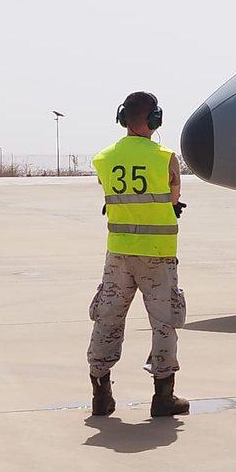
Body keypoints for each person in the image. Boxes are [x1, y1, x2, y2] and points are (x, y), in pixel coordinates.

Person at [87, 91, 189, 418]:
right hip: (157, 255)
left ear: (123, 119)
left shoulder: (103, 158)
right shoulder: (165, 157)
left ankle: (101, 394)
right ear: (155, 120)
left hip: (118, 255)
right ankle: (163, 397)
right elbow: (173, 197)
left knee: (107, 319)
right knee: (164, 323)